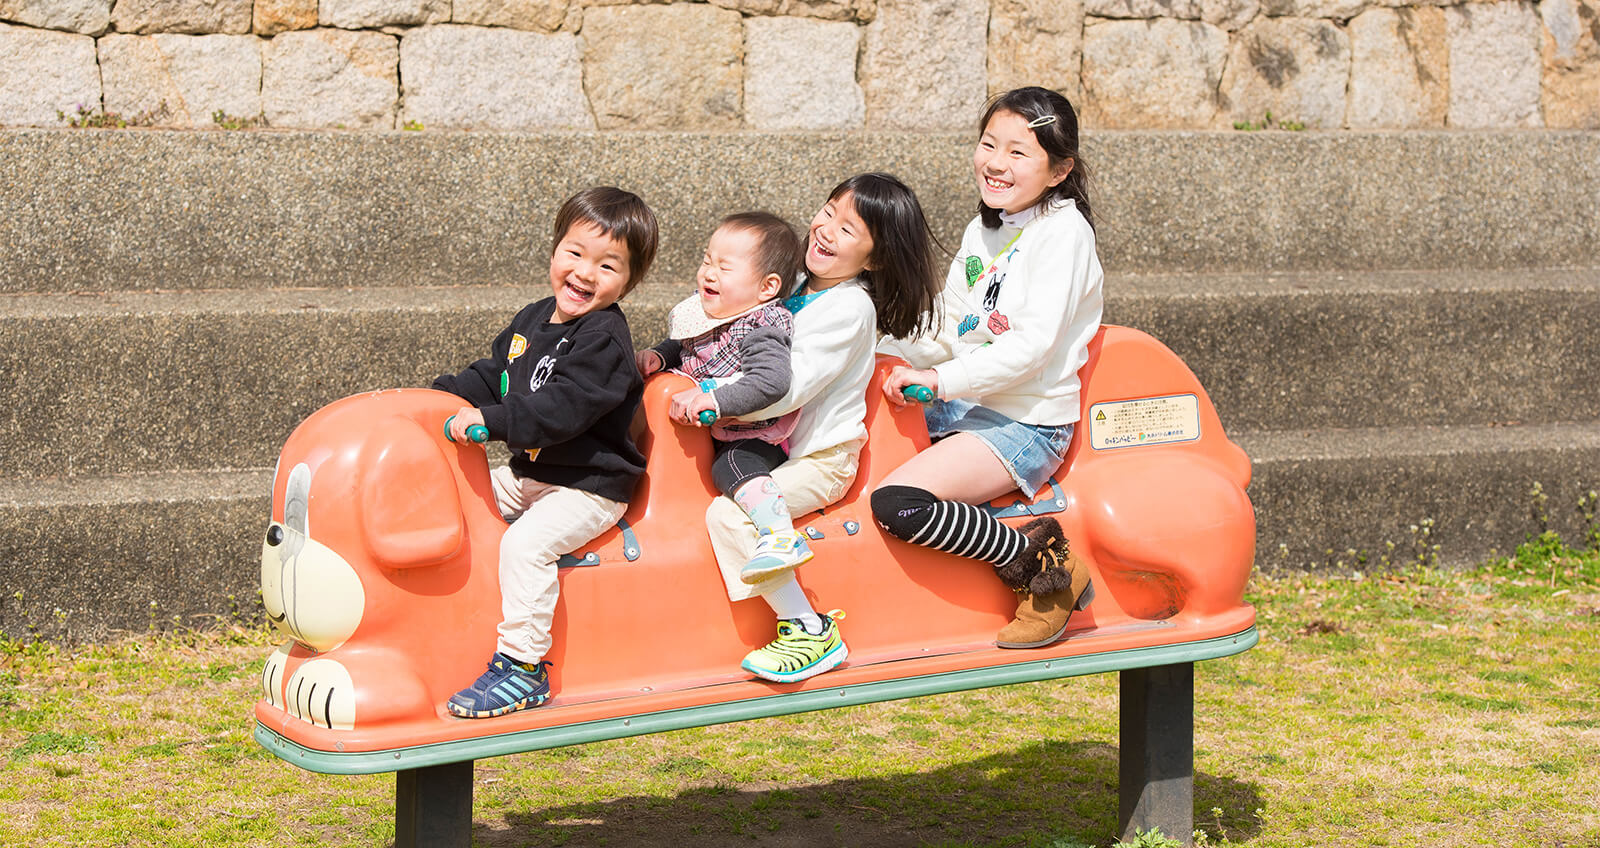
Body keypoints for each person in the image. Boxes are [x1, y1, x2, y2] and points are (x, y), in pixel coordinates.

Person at [685, 173, 941, 683]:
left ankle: (807, 627)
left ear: (874, 259)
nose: (825, 230)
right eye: (827, 212)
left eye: (848, 230)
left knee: (729, 516)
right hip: (775, 449)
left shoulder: (849, 307)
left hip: (823, 460)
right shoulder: (798, 285)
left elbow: (784, 387)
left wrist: (714, 398)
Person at [873, 86, 1103, 650]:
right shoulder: (986, 230)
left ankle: (1043, 566)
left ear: (1059, 169)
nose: (996, 163)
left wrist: (938, 381)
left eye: (1019, 152)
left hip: (1025, 423)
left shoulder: (1063, 235)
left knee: (897, 502)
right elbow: (951, 328)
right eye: (988, 144)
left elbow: (1034, 349)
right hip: (971, 405)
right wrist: (885, 352)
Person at [433, 186, 659, 718]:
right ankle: (447, 625)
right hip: (533, 473)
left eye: (608, 265)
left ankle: (522, 668)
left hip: (589, 485)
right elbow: (495, 375)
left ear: (629, 281)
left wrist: (490, 423)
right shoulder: (534, 316)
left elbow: (561, 411)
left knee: (524, 545)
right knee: (458, 505)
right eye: (575, 253)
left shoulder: (603, 339)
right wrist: (440, 397)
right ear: (555, 250)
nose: (585, 273)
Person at [636, 212, 814, 584]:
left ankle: (781, 535)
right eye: (706, 260)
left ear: (766, 288)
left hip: (753, 434)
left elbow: (772, 381)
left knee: (729, 467)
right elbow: (685, 343)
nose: (708, 273)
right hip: (709, 427)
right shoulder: (708, 310)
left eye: (724, 267)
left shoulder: (762, 324)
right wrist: (660, 355)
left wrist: (716, 399)